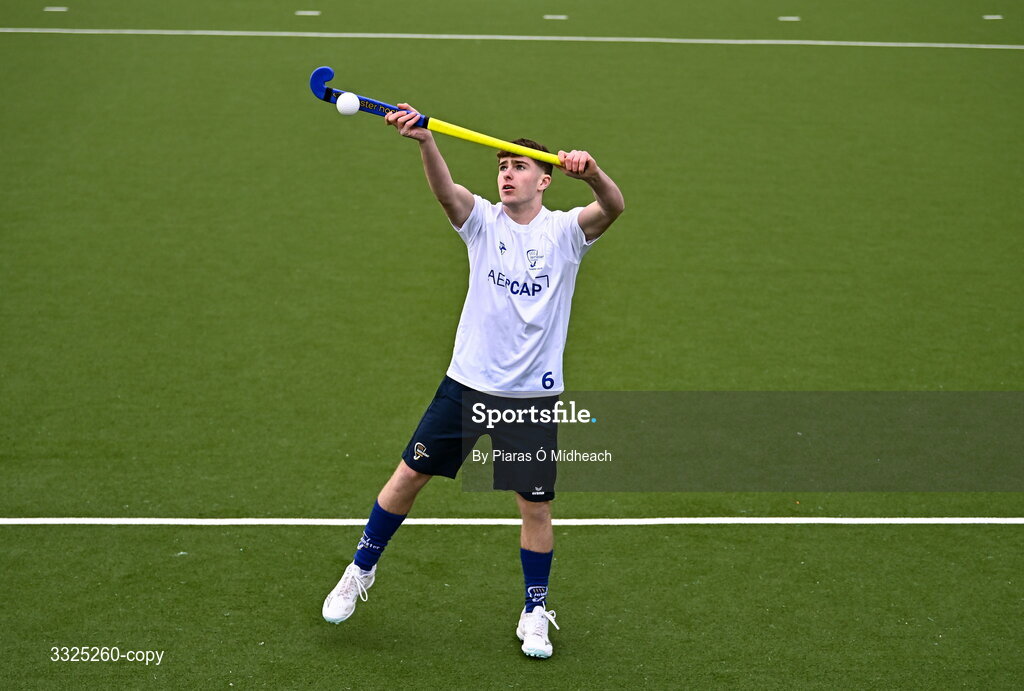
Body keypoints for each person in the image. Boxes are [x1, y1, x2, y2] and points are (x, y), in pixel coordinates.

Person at [322, 102, 625, 659]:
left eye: (518, 166)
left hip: (531, 397)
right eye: (502, 166)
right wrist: (425, 141)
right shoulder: (482, 222)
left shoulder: (565, 232)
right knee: (408, 476)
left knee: (535, 507)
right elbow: (446, 194)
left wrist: (594, 173)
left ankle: (534, 610)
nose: (506, 174)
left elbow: (614, 206)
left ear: (544, 179)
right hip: (466, 385)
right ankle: (359, 569)